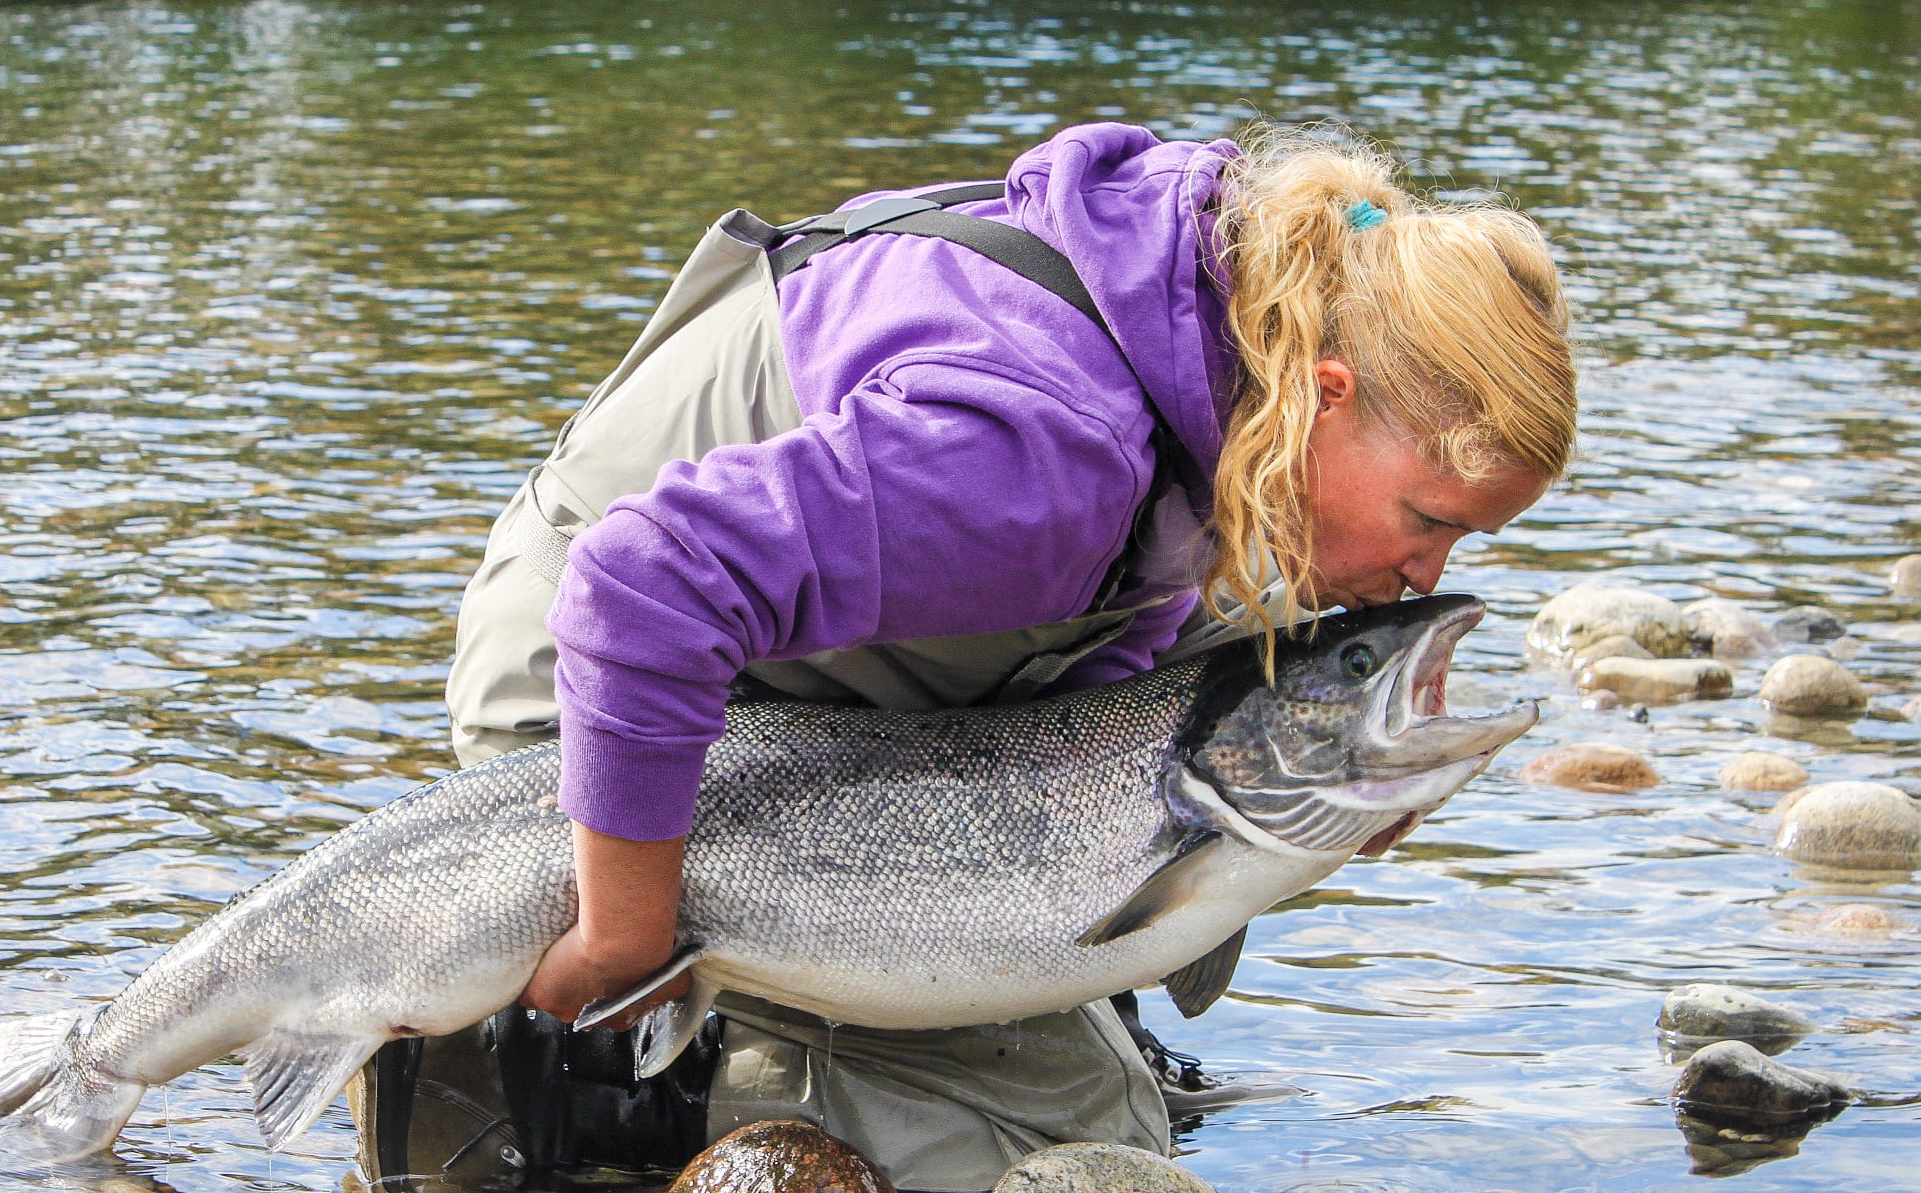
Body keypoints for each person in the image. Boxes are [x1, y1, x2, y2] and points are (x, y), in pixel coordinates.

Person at [350, 120, 1576, 1192]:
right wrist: (627, 935)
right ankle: (575, 1061)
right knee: (1034, 1149)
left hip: (805, 691)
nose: (1430, 578)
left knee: (1094, 1093)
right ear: (1328, 388)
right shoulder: (1044, 456)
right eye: (1432, 522)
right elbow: (640, 589)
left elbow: (1090, 668)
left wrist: (1283, 813)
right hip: (590, 688)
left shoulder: (1219, 339)